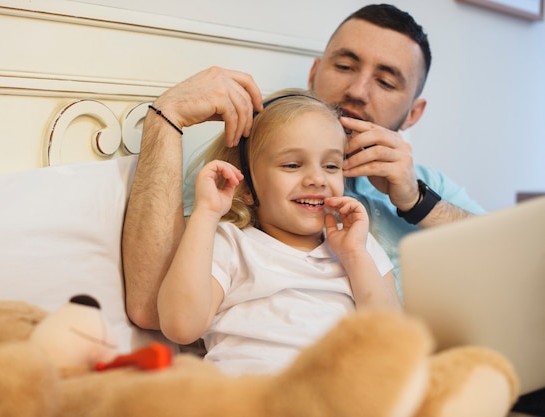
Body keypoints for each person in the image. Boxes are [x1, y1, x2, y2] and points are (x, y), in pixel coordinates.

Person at [122, 4, 485, 331]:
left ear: (414, 113)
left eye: (386, 81)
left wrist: (417, 201)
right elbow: (152, 310)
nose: (358, 90)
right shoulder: (236, 175)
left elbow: (521, 269)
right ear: (314, 72)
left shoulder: (428, 184)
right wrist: (165, 117)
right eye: (344, 66)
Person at [157, 90, 401, 374]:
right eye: (292, 165)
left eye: (331, 165)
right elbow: (181, 325)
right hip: (256, 398)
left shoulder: (360, 246)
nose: (317, 179)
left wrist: (355, 255)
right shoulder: (231, 243)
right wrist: (206, 214)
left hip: (342, 395)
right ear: (246, 186)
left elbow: (393, 342)